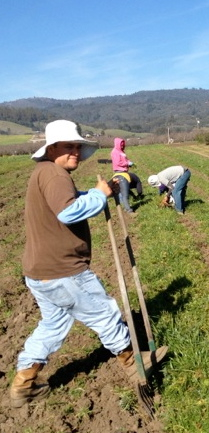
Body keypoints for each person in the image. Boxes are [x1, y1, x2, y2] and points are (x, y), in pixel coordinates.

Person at [10, 120, 167, 408]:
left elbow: (67, 202)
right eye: (68, 146)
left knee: (52, 326)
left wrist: (97, 194)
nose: (75, 152)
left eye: (77, 146)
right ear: (52, 148)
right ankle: (133, 361)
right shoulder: (55, 174)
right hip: (63, 270)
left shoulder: (43, 173)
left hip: (40, 272)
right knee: (104, 313)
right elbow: (68, 212)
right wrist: (98, 196)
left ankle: (24, 381)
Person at [110, 138, 143, 213]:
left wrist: (129, 162)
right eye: (121, 145)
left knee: (124, 192)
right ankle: (129, 210)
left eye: (123, 145)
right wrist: (127, 164)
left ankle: (125, 207)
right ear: (118, 144)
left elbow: (125, 160)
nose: (122, 146)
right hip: (120, 173)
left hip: (124, 172)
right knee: (124, 194)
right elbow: (118, 162)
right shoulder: (115, 152)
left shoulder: (121, 152)